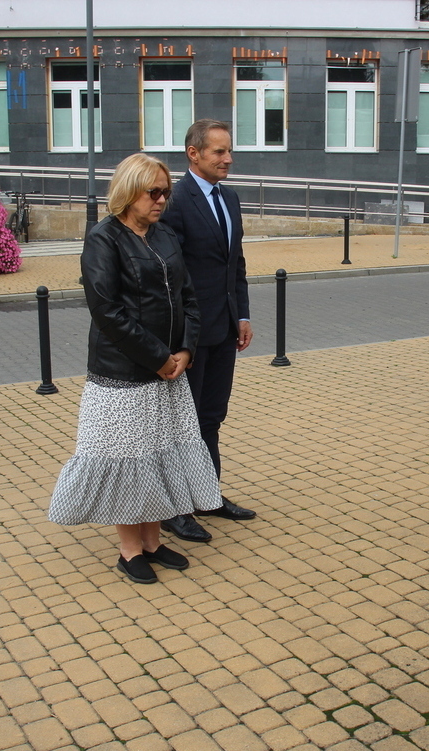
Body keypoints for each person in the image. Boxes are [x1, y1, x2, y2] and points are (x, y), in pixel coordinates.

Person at [48, 152, 222, 584]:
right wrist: (158, 357)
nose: (162, 200)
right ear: (129, 192)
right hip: (122, 376)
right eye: (154, 192)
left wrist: (185, 349)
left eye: (166, 192)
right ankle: (129, 550)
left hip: (168, 371)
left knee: (159, 455)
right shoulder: (104, 238)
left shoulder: (164, 235)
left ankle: (151, 540)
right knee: (128, 460)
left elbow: (189, 298)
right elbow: (107, 311)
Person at [159, 120, 257, 544]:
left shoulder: (230, 197)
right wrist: (182, 337)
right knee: (183, 423)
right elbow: (173, 276)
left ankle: (208, 495)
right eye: (219, 152)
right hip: (191, 334)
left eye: (229, 151)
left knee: (211, 416)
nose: (228, 159)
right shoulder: (175, 200)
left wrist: (243, 315)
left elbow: (234, 262)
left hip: (225, 327)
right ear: (193, 154)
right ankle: (176, 510)